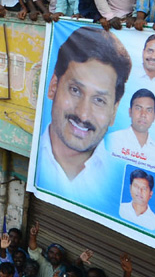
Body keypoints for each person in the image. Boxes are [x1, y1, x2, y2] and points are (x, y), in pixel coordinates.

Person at [34, 27, 132, 202]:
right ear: (53, 86)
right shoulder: (30, 155)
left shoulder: (118, 179)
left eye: (99, 100)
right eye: (75, 90)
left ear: (114, 111)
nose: (83, 114)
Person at [107, 90, 155, 168]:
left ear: (154, 117)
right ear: (130, 112)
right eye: (138, 108)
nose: (143, 114)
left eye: (149, 110)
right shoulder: (112, 140)